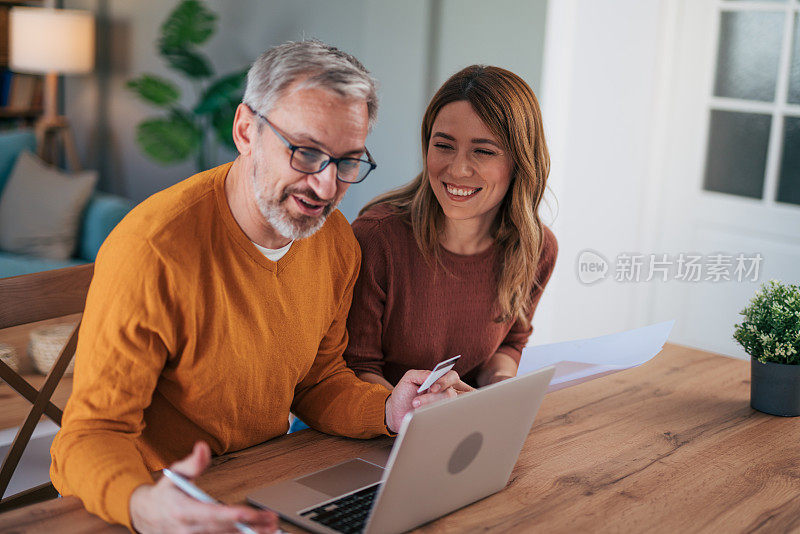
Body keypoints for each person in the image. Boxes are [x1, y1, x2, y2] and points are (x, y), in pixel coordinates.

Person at [49, 40, 469, 533]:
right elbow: (91, 435)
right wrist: (143, 505)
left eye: (348, 161)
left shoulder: (334, 242)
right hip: (155, 500)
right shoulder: (153, 250)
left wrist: (388, 408)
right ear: (246, 131)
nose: (326, 187)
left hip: (261, 484)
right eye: (307, 153)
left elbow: (318, 382)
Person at [343, 65, 558, 390]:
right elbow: (355, 368)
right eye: (443, 145)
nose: (457, 169)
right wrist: (422, 413)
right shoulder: (377, 238)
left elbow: (509, 344)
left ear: (520, 163)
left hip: (461, 424)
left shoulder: (536, 248)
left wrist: (500, 386)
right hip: (375, 428)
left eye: (483, 151)